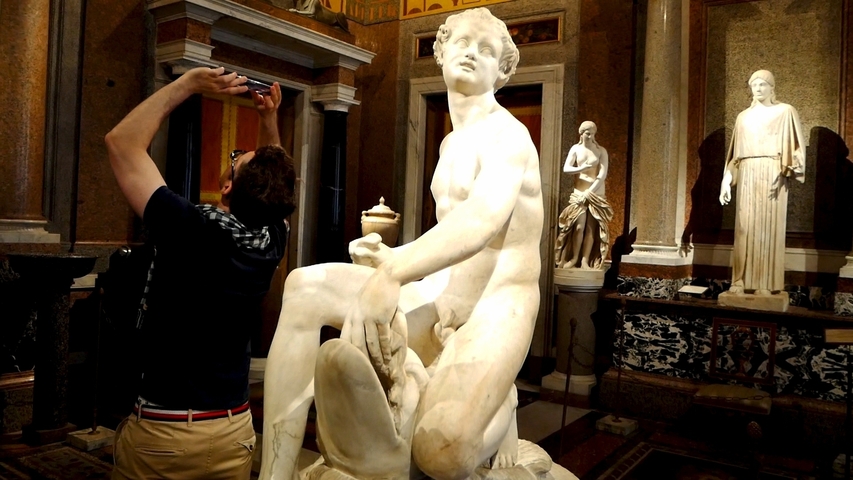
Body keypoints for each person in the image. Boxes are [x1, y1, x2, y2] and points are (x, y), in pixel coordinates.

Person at [260, 7, 543, 480]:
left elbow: (481, 221)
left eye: (487, 50)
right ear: (441, 51)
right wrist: (384, 258)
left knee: (441, 454)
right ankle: (274, 472)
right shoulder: (450, 145)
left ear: (503, 70)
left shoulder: (509, 137)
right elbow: (450, 238)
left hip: (499, 306)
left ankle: (501, 399)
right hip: (440, 293)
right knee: (304, 287)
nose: (472, 53)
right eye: (463, 42)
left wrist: (395, 268)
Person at [105, 66, 296, 480]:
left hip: (168, 435)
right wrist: (268, 121)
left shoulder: (190, 228)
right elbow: (273, 188)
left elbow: (121, 143)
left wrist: (186, 85)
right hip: (234, 430)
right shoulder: (271, 242)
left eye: (236, 159)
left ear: (226, 186)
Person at [719, 70, 805, 295]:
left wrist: (790, 167)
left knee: (767, 231)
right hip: (747, 173)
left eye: (763, 84)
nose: (758, 88)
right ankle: (739, 282)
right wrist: (726, 181)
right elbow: (734, 157)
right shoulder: (743, 117)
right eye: (754, 84)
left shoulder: (785, 112)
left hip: (772, 172)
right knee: (744, 229)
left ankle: (765, 284)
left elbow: (796, 149)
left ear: (772, 87)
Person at [554, 121, 612, 270]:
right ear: (581, 133)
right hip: (579, 191)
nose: (590, 136)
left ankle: (585, 260)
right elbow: (566, 169)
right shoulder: (576, 149)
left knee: (591, 228)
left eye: (593, 133)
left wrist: (589, 192)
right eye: (587, 133)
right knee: (578, 226)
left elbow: (602, 174)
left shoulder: (601, 151)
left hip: (595, 192)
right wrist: (581, 168)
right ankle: (574, 258)